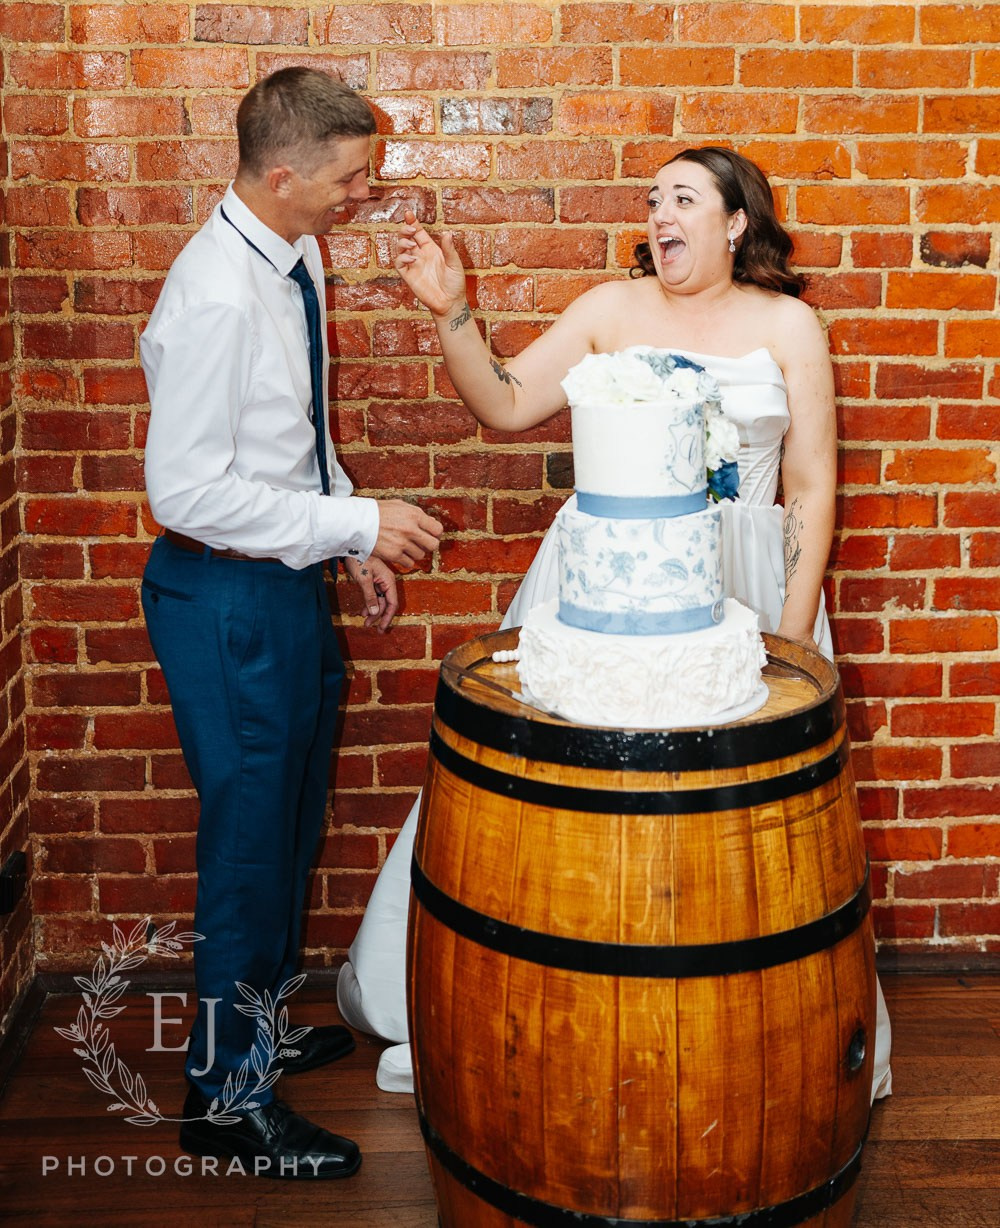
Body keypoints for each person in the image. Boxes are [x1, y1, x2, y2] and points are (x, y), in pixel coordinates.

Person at [336, 144, 893, 1103]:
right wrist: (451, 312)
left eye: (684, 198)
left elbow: (809, 484)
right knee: (572, 793)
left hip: (753, 586)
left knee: (735, 814)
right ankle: (551, 1001)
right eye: (652, 198)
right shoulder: (607, 310)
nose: (658, 214)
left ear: (734, 223)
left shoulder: (791, 325)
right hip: (606, 589)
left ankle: (737, 1022)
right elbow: (507, 404)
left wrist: (791, 643)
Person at [139, 67, 443, 1180]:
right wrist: (356, 518)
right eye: (352, 178)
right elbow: (184, 493)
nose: (364, 194)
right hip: (223, 600)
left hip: (280, 584)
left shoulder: (293, 253)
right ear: (282, 176)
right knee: (249, 853)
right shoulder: (217, 292)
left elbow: (293, 438)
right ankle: (222, 1102)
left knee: (291, 824)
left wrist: (341, 538)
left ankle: (252, 1033)